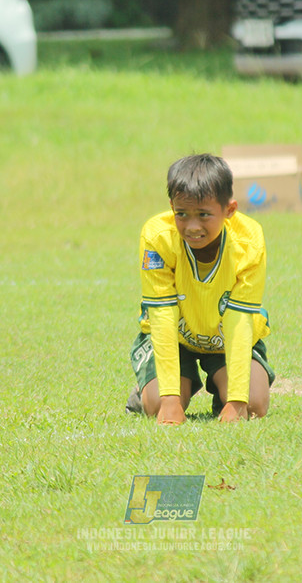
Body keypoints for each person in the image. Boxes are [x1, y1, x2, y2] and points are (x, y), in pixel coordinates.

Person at [126, 154, 275, 425]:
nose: (192, 226)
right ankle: (150, 392)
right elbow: (162, 315)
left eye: (204, 215)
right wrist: (170, 400)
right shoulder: (157, 237)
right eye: (181, 214)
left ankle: (224, 392)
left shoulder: (249, 242)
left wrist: (237, 400)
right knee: (157, 404)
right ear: (172, 206)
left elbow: (240, 320)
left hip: (225, 340)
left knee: (253, 406)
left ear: (230, 209)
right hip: (176, 337)